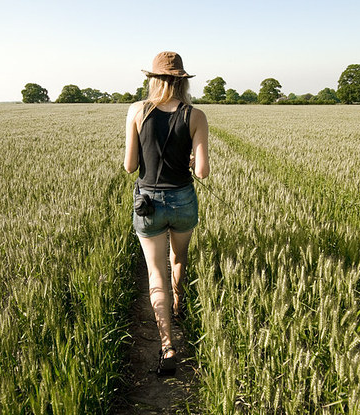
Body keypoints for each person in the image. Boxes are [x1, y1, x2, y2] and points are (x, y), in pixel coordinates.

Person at [124, 51, 209, 376]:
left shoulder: (137, 111)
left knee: (155, 274)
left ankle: (167, 345)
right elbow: (202, 172)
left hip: (148, 202)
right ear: (182, 81)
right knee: (178, 257)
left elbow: (130, 166)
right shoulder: (195, 115)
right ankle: (178, 303)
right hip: (183, 199)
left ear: (153, 79)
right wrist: (190, 161)